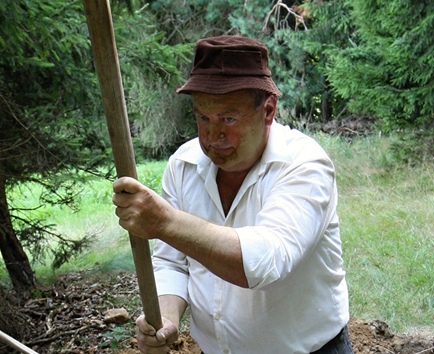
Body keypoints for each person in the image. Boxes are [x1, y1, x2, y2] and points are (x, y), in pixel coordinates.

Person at [112, 35, 352, 354]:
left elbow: (266, 260)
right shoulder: (183, 167)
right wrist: (166, 317)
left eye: (228, 118)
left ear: (268, 110)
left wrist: (164, 222)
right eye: (203, 118)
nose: (213, 135)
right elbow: (174, 262)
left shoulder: (305, 165)